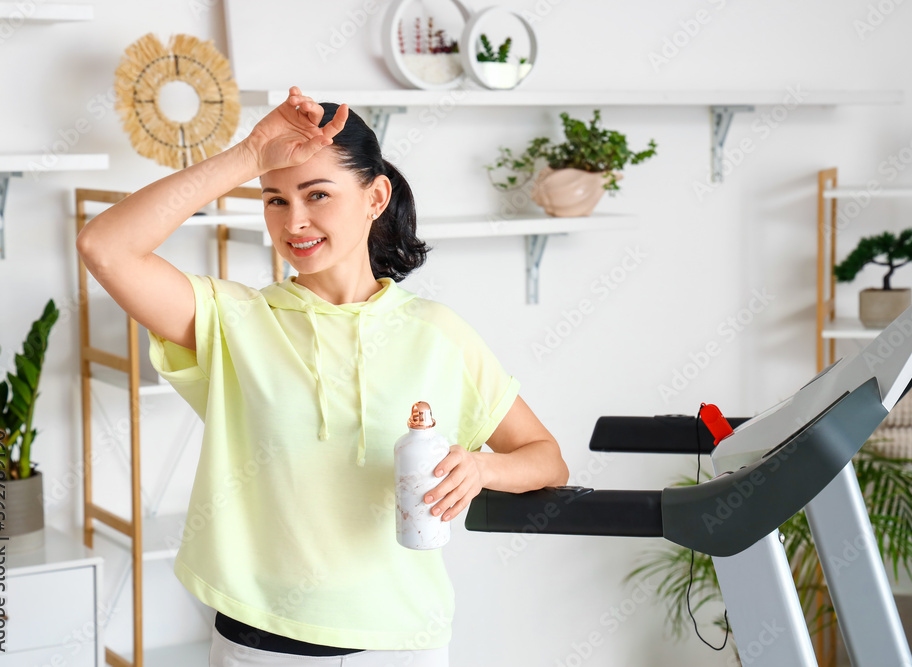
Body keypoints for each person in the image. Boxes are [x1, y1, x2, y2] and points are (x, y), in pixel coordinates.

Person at [76, 86, 569, 666]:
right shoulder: (231, 320)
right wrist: (251, 153)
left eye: (317, 194)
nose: (295, 221)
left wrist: (482, 467)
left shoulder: (438, 332)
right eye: (274, 199)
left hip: (402, 644)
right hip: (259, 644)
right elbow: (104, 246)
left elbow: (546, 459)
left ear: (375, 196)